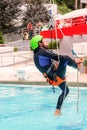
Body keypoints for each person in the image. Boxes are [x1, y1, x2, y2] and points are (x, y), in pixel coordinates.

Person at [30, 35, 83, 116]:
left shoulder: (36, 55)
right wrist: (75, 61)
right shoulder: (41, 52)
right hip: (56, 75)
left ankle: (57, 111)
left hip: (52, 77)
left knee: (65, 91)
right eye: (44, 40)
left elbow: (48, 64)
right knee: (65, 58)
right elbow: (58, 57)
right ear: (39, 44)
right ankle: (77, 66)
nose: (46, 41)